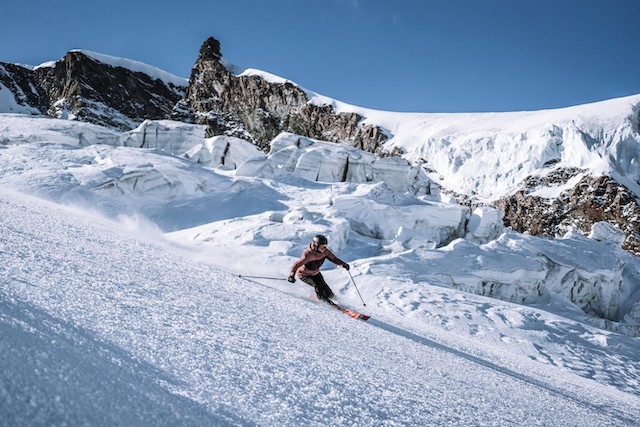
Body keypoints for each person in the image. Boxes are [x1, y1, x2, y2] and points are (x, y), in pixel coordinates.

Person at [287, 235, 350, 302]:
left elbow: (334, 259)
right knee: (317, 285)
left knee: (326, 288)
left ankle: (335, 300)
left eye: (325, 246)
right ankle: (324, 301)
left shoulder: (325, 252)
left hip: (316, 273)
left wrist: (343, 264)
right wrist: (291, 276)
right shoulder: (307, 255)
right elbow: (296, 265)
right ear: (315, 245)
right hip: (304, 275)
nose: (324, 248)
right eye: (322, 247)